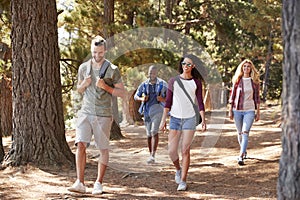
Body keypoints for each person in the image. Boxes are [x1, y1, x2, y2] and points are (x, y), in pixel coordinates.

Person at [68, 35, 126, 194]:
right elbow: (79, 89)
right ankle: (80, 182)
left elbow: (122, 93)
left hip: (103, 114)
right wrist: (84, 84)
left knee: (103, 148)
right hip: (85, 112)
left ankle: (98, 183)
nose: (97, 56)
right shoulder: (83, 68)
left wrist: (105, 87)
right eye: (94, 52)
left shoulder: (112, 69)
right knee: (80, 144)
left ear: (105, 51)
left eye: (100, 53)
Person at [159, 54, 207, 191]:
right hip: (174, 118)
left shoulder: (196, 82)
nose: (186, 67)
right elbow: (167, 103)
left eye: (189, 64)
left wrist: (203, 119)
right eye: (184, 64)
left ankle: (183, 180)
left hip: (190, 119)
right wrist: (164, 120)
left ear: (193, 67)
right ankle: (178, 169)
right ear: (181, 65)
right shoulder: (173, 81)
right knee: (171, 151)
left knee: (185, 149)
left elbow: (200, 101)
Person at [228, 59, 260, 166]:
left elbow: (257, 98)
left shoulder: (254, 82)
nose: (246, 68)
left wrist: (258, 112)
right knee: (240, 133)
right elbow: (232, 96)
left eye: (248, 66)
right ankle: (244, 149)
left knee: (245, 132)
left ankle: (241, 155)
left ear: (251, 69)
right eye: (244, 66)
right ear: (242, 68)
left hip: (249, 110)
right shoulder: (237, 80)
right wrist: (230, 110)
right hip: (237, 110)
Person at [134, 65, 167, 164]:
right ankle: (150, 155)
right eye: (150, 73)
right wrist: (141, 99)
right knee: (148, 135)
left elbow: (170, 98)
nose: (151, 74)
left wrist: (162, 99)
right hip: (147, 111)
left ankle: (153, 155)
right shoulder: (144, 84)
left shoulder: (163, 84)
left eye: (153, 73)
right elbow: (136, 96)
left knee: (154, 131)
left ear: (157, 73)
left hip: (158, 111)